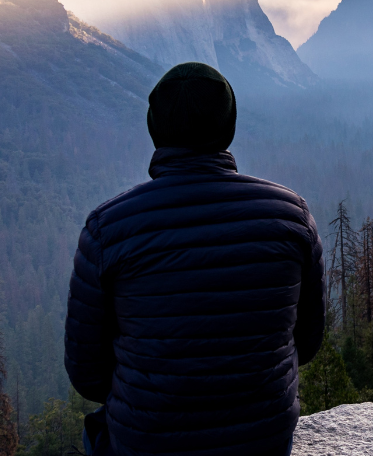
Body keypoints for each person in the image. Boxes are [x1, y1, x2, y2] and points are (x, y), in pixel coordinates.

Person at [65, 63, 325, 456]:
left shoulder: (108, 230)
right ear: (229, 126)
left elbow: (87, 374)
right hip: (262, 442)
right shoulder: (291, 216)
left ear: (155, 129)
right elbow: (307, 341)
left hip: (147, 443)